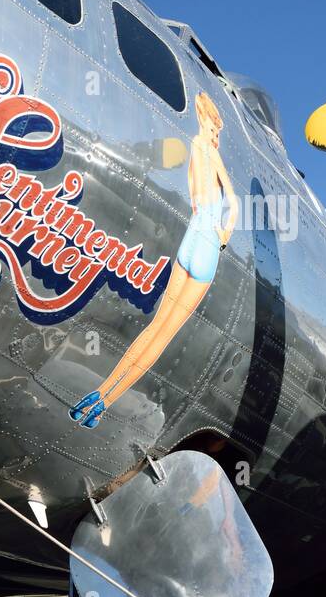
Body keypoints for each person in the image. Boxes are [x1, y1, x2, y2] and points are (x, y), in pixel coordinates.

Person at [70, 92, 237, 428]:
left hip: (191, 236)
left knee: (154, 328)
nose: (216, 137)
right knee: (164, 337)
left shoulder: (193, 146)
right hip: (207, 242)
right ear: (207, 123)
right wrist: (224, 237)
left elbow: (194, 196)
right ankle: (103, 405)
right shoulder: (211, 152)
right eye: (215, 129)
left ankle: (100, 393)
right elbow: (232, 200)